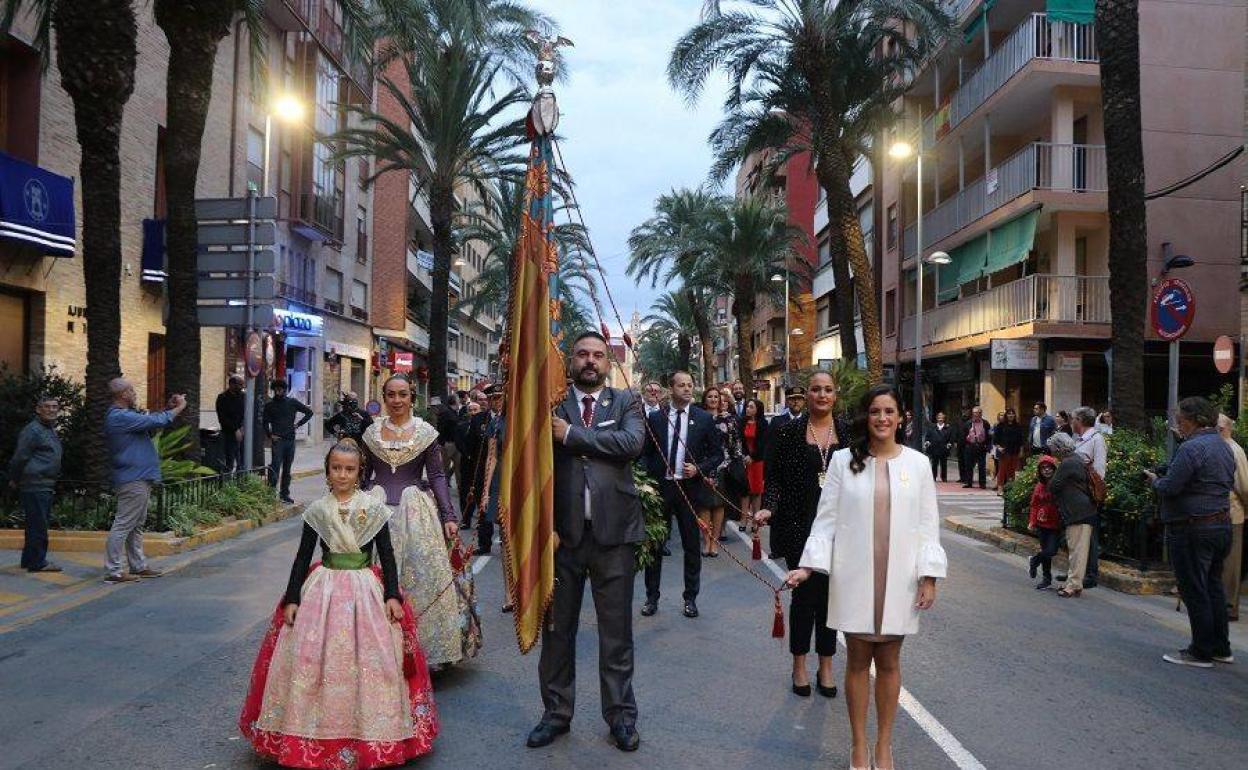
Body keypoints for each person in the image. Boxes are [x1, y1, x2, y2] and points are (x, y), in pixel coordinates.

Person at [238, 440, 438, 767]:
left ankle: (373, 732)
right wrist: (292, 597)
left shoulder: (373, 509)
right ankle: (309, 732)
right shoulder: (318, 510)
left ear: (360, 472)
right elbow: (303, 557)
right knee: (310, 659)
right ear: (328, 471)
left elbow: (386, 556)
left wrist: (391, 595)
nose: (342, 475)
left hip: (365, 589)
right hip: (323, 588)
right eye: (336, 468)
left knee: (375, 661)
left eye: (349, 469)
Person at [786, 384, 946, 770]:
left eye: (889, 411)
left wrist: (929, 576)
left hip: (901, 578)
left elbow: (928, 526)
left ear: (901, 417)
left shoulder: (918, 464)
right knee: (857, 659)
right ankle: (859, 745)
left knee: (889, 660)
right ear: (866, 417)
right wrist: (808, 566)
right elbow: (825, 521)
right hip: (854, 575)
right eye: (875, 411)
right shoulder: (843, 461)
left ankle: (884, 746)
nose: (882, 419)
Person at [528, 331, 645, 752]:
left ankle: (621, 717)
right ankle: (556, 714)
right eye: (582, 354)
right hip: (563, 539)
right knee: (558, 632)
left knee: (617, 635)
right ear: (570, 361)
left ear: (607, 362)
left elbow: (631, 444)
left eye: (598, 355)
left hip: (615, 538)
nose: (590, 361)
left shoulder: (626, 402)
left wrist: (571, 436)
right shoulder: (549, 405)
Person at [360, 374, 479, 669]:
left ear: (412, 398)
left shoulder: (425, 433)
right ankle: (374, 651)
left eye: (403, 394)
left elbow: (438, 476)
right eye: (391, 395)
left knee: (419, 578)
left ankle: (422, 651)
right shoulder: (371, 433)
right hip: (377, 509)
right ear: (384, 397)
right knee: (371, 579)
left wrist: (448, 516)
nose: (397, 400)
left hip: (415, 513)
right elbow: (362, 476)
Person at [754, 370, 848, 700]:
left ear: (835, 395)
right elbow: (775, 479)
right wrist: (769, 507)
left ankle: (826, 665)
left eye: (828, 389)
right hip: (798, 528)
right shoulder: (789, 432)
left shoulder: (849, 434)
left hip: (840, 530)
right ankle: (799, 665)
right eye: (815, 389)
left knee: (831, 600)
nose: (822, 395)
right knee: (805, 599)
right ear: (805, 395)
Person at [1145, 397, 1235, 667]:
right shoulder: (1223, 446)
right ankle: (1220, 647)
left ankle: (1201, 651)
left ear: (1194, 420)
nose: (1178, 425)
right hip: (1220, 524)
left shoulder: (1192, 448)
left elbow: (1171, 487)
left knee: (1195, 588)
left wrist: (1155, 481)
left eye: (1181, 420)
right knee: (1213, 586)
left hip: (1193, 527)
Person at [640, 371, 723, 619]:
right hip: (661, 489)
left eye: (690, 385)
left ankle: (690, 599)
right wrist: (646, 479)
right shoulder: (656, 418)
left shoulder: (704, 419)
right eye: (682, 385)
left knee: (691, 547)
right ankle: (651, 598)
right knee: (655, 546)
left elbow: (717, 454)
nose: (687, 389)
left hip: (689, 491)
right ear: (671, 388)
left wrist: (699, 468)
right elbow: (644, 452)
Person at [103, 378, 186, 583]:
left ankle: (138, 565)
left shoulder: (126, 416)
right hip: (133, 478)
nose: (134, 393)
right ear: (123, 394)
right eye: (131, 390)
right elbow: (158, 421)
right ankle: (114, 571)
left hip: (139, 476)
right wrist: (180, 407)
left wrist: (167, 408)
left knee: (136, 524)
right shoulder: (119, 417)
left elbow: (149, 422)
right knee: (124, 523)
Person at [7, 395, 64, 573]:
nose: (51, 410)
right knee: (38, 525)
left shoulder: (48, 429)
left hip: (44, 483)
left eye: (55, 406)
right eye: (47, 406)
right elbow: (20, 457)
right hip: (35, 483)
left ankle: (29, 560)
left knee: (35, 524)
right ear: (38, 410)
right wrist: (14, 478)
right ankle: (38, 562)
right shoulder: (33, 430)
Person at [1045, 432, 1096, 598]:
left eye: (1053, 449)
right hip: (1081, 510)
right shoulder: (1076, 459)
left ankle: (1074, 584)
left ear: (1059, 449)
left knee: (1077, 550)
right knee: (1075, 548)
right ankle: (1073, 582)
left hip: (1078, 511)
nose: (1052, 453)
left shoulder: (1068, 463)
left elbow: (1053, 486)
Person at [1217, 414, 1248, 621]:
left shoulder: (1235, 450)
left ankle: (1229, 607)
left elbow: (1244, 486)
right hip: (1219, 514)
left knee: (1231, 563)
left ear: (1224, 429)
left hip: (1233, 513)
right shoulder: (1219, 448)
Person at [262, 380, 313, 505]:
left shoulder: (292, 402)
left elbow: (309, 412)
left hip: (290, 440)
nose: (278, 391)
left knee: (287, 469)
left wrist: (298, 424)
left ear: (285, 390)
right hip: (277, 441)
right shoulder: (269, 405)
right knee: (275, 467)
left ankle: (285, 494)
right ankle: (270, 494)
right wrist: (270, 435)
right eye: (276, 389)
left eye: (281, 389)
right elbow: (264, 422)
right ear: (273, 390)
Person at [1072, 406, 1107, 588]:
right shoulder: (1079, 440)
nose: (1072, 422)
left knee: (1090, 536)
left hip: (1087, 495)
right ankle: (1076, 572)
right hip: (1075, 495)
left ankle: (1091, 574)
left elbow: (1099, 471)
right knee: (1077, 535)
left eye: (1073, 419)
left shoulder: (1096, 439)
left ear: (1080, 421)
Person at [709, 386, 745, 549]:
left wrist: (737, 461)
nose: (720, 402)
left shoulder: (730, 420)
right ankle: (707, 533)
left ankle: (719, 530)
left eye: (723, 400)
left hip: (725, 464)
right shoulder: (703, 418)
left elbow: (736, 443)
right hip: (705, 464)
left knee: (721, 501)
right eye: (717, 399)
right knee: (705, 501)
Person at [474, 385, 506, 555]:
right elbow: (491, 456)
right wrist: (486, 491)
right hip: (500, 475)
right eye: (494, 398)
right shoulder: (495, 423)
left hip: (521, 475)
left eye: (501, 397)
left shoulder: (524, 418)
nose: (498, 401)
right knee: (501, 518)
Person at [1027, 455, 1062, 590]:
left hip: (1055, 524)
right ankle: (1046, 578)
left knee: (1051, 550)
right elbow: (1034, 505)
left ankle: (1034, 560)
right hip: (1042, 523)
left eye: (1049, 468)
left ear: (1054, 469)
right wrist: (1032, 521)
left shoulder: (1058, 484)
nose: (1046, 470)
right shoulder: (1039, 487)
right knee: (1046, 551)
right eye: (1043, 468)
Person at [739, 398, 768, 525]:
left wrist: (753, 456)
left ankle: (756, 518)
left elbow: (763, 444)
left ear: (757, 410)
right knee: (745, 490)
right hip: (744, 460)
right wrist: (745, 455)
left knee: (756, 491)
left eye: (751, 407)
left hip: (757, 461)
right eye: (747, 406)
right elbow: (740, 441)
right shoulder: (742, 422)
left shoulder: (763, 424)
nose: (748, 409)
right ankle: (744, 518)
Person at [215, 375, 245, 473]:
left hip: (241, 431)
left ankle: (240, 483)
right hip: (228, 434)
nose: (241, 387)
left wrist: (242, 427)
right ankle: (227, 484)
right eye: (239, 385)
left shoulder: (242, 396)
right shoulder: (222, 398)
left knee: (242, 463)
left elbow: (245, 413)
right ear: (231, 384)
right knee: (229, 462)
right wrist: (235, 429)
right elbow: (222, 418)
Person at [993, 408, 1025, 494]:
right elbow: (995, 440)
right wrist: (999, 447)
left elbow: (1021, 440)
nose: (1011, 415)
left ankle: (1011, 487)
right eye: (1009, 414)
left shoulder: (1018, 426)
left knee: (1012, 470)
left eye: (1012, 414)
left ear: (1015, 415)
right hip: (1004, 451)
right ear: (1006, 415)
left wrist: (1021, 451)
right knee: (1002, 470)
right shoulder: (1000, 426)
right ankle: (1000, 488)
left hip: (1015, 451)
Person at [962, 407, 991, 489]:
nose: (976, 414)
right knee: (969, 465)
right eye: (974, 413)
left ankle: (982, 483)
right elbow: (963, 435)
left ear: (981, 414)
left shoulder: (985, 423)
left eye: (978, 412)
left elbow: (989, 435)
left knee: (982, 466)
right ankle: (968, 482)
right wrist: (967, 438)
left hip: (981, 446)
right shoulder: (968, 423)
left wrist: (987, 445)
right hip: (970, 446)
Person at [924, 411, 953, 482]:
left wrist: (949, 444)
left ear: (944, 418)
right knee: (934, 464)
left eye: (942, 417)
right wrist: (927, 442)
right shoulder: (932, 427)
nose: (940, 419)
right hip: (934, 448)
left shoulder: (948, 428)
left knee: (944, 464)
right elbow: (927, 437)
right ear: (937, 418)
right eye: (939, 417)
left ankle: (944, 477)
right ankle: (933, 477)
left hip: (943, 448)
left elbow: (951, 438)